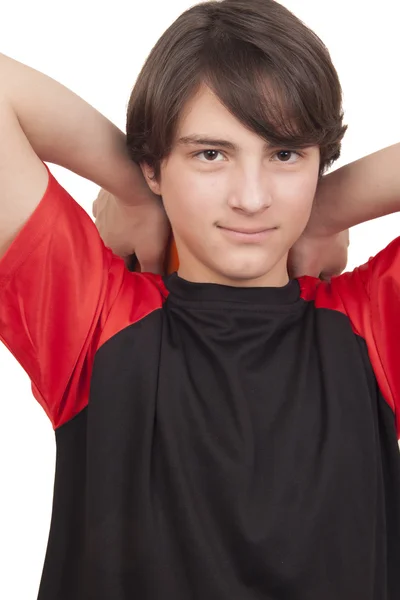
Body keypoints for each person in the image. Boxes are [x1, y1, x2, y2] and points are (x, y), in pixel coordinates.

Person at [0, 0, 399, 598]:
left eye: (285, 154)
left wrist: (327, 212)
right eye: (211, 154)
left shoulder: (372, 326)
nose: (251, 197)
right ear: (156, 165)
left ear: (319, 165)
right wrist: (134, 193)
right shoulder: (95, 317)